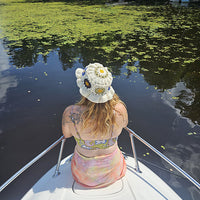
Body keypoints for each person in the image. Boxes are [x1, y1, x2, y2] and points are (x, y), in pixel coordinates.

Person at [62, 62, 128, 188]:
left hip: (84, 175)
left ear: (84, 88)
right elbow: (124, 125)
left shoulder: (71, 113)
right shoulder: (120, 110)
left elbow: (67, 135)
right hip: (113, 172)